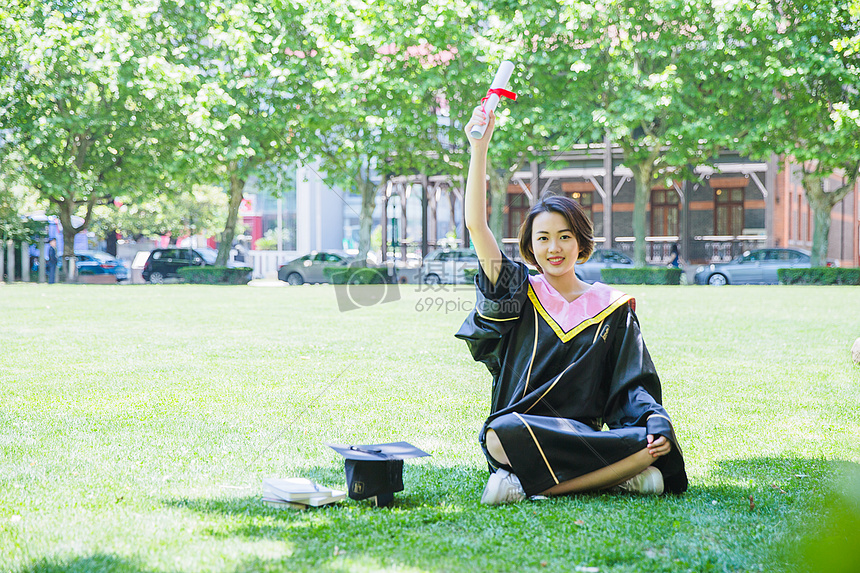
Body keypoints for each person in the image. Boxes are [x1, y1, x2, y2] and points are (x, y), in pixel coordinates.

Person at [455, 107, 688, 505]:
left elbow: (631, 383)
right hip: (523, 430)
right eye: (543, 238)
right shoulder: (517, 292)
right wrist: (479, 147)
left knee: (647, 440)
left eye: (564, 237)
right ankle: (620, 477)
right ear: (530, 246)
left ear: (580, 243)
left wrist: (653, 422)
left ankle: (525, 485)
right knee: (498, 434)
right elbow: (477, 226)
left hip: (582, 437)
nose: (554, 248)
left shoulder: (611, 307)